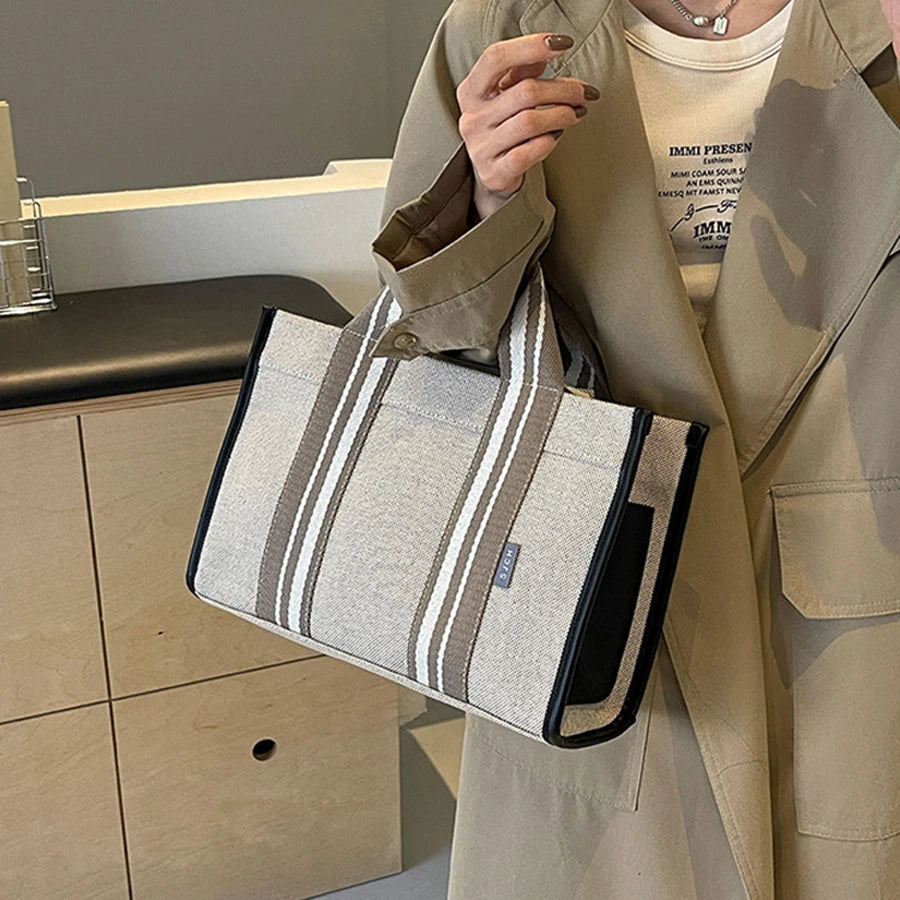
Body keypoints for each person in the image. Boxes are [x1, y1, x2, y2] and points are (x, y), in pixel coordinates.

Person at [368, 0, 900, 896]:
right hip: (593, 577)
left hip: (852, 579)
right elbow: (430, 347)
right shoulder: (503, 22)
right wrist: (492, 201)